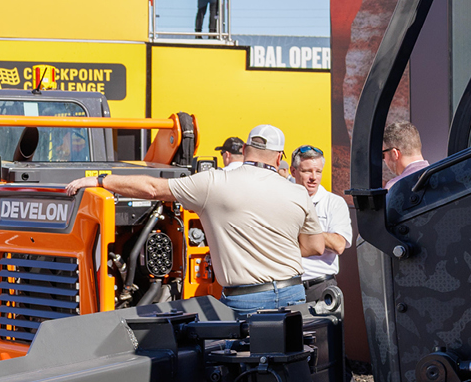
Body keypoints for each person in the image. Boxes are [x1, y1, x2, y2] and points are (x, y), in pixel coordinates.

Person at [64, 124, 325, 314]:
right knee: (291, 366)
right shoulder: (297, 192)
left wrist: (100, 180)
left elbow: (153, 188)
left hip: (246, 300)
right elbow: (316, 247)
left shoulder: (215, 182)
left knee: (246, 373)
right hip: (293, 293)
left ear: (245, 150)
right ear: (279, 157)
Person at [291, 144, 351, 291]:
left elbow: (339, 245)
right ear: (293, 171)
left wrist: (305, 226)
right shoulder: (282, 199)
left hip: (320, 286)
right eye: (307, 171)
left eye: (318, 172)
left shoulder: (334, 202)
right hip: (286, 286)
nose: (314, 177)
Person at [381, 121, 429, 190]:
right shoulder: (440, 176)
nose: (384, 160)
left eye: (383, 155)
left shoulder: (394, 187)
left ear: (395, 154)